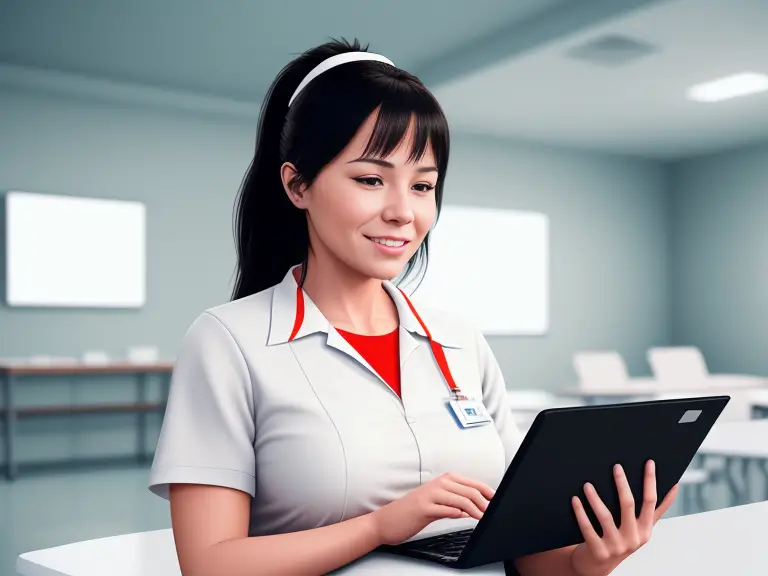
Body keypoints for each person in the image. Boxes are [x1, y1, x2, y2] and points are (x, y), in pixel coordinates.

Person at [148, 38, 678, 576]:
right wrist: (379, 526)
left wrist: (591, 558)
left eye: (423, 185)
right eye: (371, 179)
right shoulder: (228, 341)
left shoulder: (460, 340)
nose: (404, 212)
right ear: (298, 184)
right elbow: (209, 565)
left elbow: (521, 554)